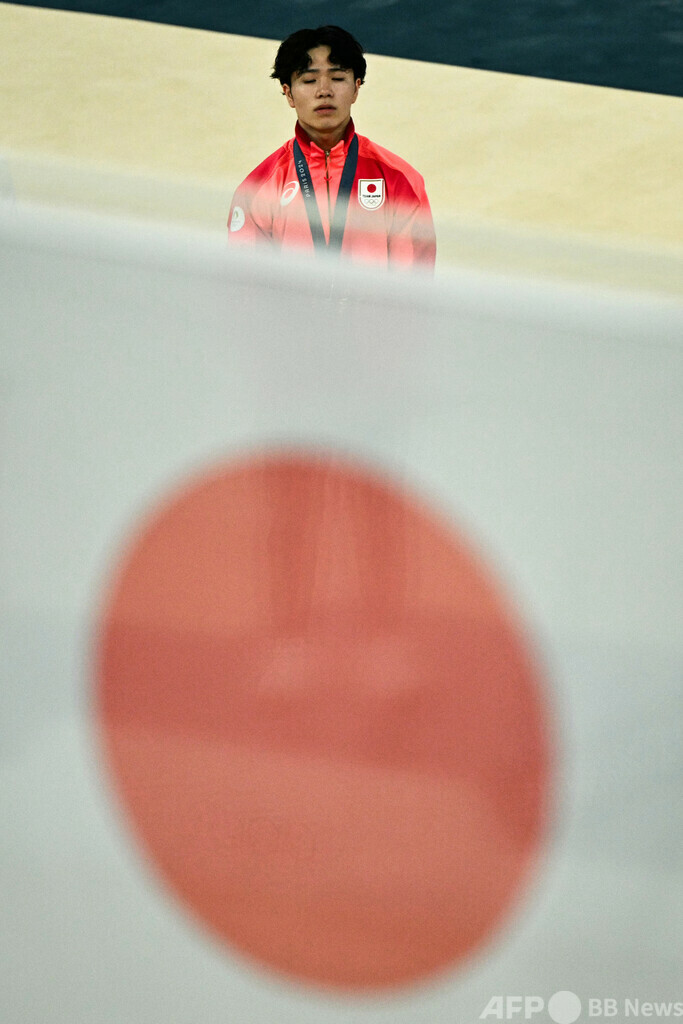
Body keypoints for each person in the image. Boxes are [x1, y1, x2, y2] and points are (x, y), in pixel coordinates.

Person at [227, 26, 436, 270]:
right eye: (309, 80)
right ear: (289, 94)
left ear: (356, 88)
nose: (324, 91)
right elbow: (247, 285)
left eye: (337, 78)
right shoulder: (256, 189)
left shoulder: (400, 181)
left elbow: (412, 286)